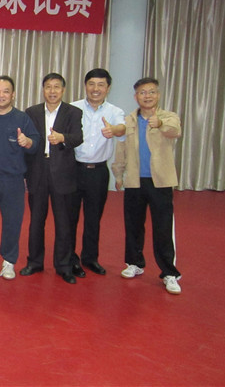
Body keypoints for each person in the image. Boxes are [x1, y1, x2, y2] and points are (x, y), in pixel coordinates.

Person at [111, 77, 183, 295]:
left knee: (163, 228)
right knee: (133, 225)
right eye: (143, 92)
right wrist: (118, 173)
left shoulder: (168, 117)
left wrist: (159, 124)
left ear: (158, 95)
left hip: (160, 181)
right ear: (136, 97)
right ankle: (134, 263)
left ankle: (169, 273)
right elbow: (121, 148)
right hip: (135, 181)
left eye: (151, 92)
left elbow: (175, 131)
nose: (147, 96)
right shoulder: (129, 120)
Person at [22, 73, 83, 284]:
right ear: (43, 90)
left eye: (56, 87)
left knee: (63, 223)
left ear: (63, 90)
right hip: (38, 171)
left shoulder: (73, 112)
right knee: (36, 221)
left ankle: (64, 266)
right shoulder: (32, 112)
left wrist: (62, 138)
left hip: (63, 173)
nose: (52, 91)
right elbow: (28, 143)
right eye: (48, 87)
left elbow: (78, 137)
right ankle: (34, 262)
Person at [0, 76, 39, 280]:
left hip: (13, 180)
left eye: (5, 91)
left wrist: (27, 141)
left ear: (13, 94)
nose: (1, 95)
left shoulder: (22, 118)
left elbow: (35, 143)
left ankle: (9, 261)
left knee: (12, 222)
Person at [69, 68, 126, 277]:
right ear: (85, 86)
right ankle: (70, 259)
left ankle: (90, 258)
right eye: (91, 84)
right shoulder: (73, 108)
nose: (96, 89)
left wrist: (114, 130)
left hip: (98, 172)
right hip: (73, 170)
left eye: (101, 85)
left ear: (108, 88)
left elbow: (122, 129)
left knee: (94, 218)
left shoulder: (114, 111)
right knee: (69, 218)